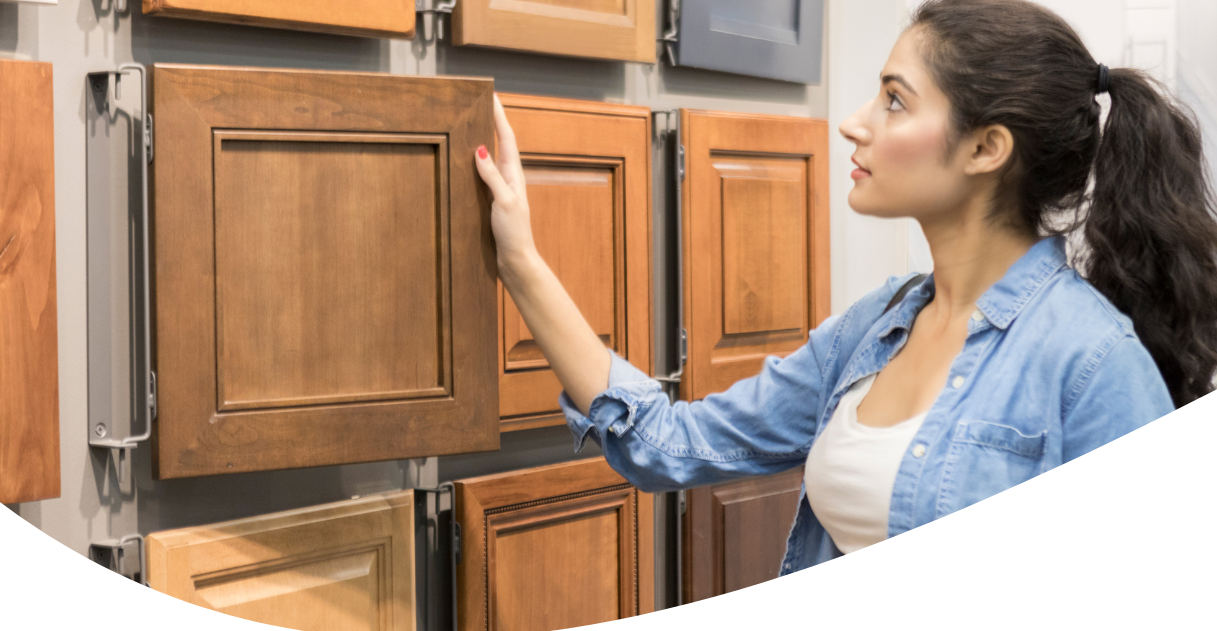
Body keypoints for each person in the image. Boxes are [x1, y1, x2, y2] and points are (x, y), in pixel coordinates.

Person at [471, 0, 1217, 574]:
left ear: (987, 148)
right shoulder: (878, 327)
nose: (854, 124)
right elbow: (671, 444)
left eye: (894, 100)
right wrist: (521, 261)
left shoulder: (1093, 364)